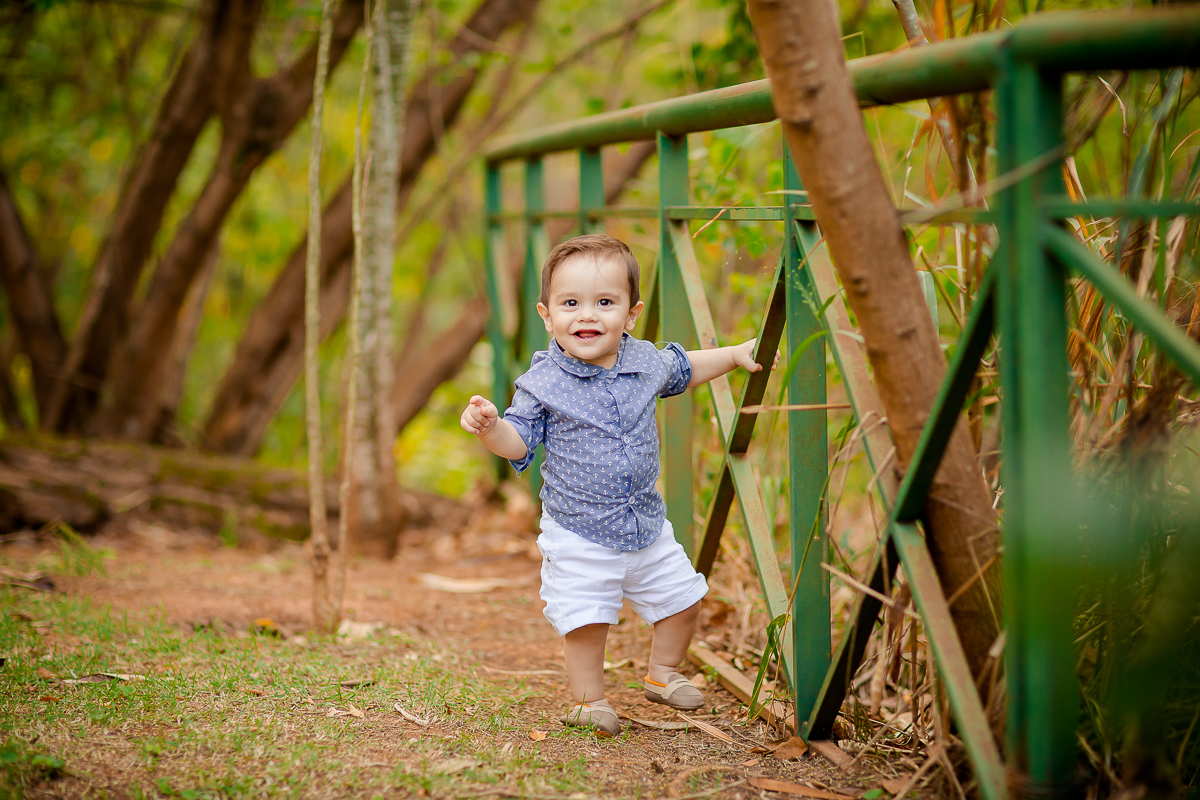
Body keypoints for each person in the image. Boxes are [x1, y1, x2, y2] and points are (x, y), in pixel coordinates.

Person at [460, 234, 771, 737]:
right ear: (547, 315)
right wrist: (492, 427)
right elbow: (519, 444)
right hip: (579, 528)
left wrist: (733, 354)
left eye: (605, 302)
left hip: (645, 522)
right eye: (571, 303)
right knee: (587, 619)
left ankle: (663, 673)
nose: (587, 315)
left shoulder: (644, 361)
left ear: (630, 313)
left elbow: (685, 367)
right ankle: (588, 701)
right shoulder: (542, 383)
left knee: (685, 599)